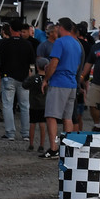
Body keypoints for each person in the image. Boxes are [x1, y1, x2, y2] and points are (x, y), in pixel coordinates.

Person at [40, 18, 82, 159]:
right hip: (71, 83)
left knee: (51, 115)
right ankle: (67, 148)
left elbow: (54, 62)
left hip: (59, 82)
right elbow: (76, 66)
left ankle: (53, 148)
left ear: (60, 27)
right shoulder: (76, 44)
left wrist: (46, 79)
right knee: (67, 117)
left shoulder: (60, 42)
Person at [0, 20, 35, 141]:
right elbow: (32, 63)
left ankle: (10, 132)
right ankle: (25, 133)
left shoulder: (3, 43)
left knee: (7, 105)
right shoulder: (27, 44)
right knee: (25, 106)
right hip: (23, 78)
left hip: (8, 77)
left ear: (11, 29)